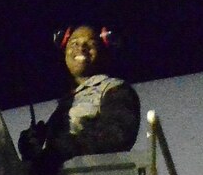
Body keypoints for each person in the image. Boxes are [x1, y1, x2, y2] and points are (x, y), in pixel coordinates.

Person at [19, 25, 142, 166]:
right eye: (74, 43)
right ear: (65, 52)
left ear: (102, 52)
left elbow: (117, 135)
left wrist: (64, 150)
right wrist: (33, 146)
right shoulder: (67, 104)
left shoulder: (115, 89)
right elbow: (47, 158)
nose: (81, 48)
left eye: (91, 44)